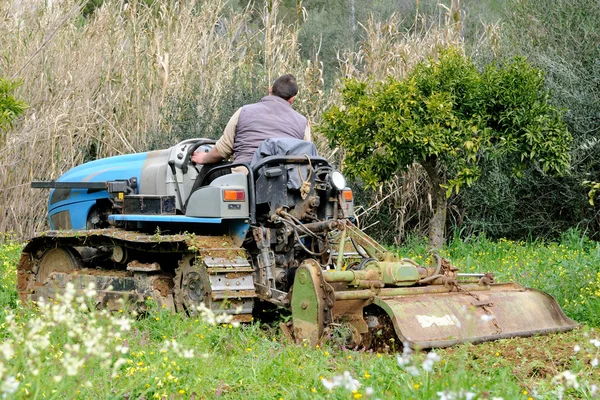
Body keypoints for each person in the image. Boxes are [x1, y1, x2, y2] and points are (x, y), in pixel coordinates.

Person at [191, 74, 311, 166]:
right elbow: (307, 155)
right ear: (292, 99)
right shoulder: (302, 123)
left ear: (270, 89)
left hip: (245, 177)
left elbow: (222, 150)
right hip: (285, 183)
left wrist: (203, 158)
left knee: (208, 173)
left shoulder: (244, 112)